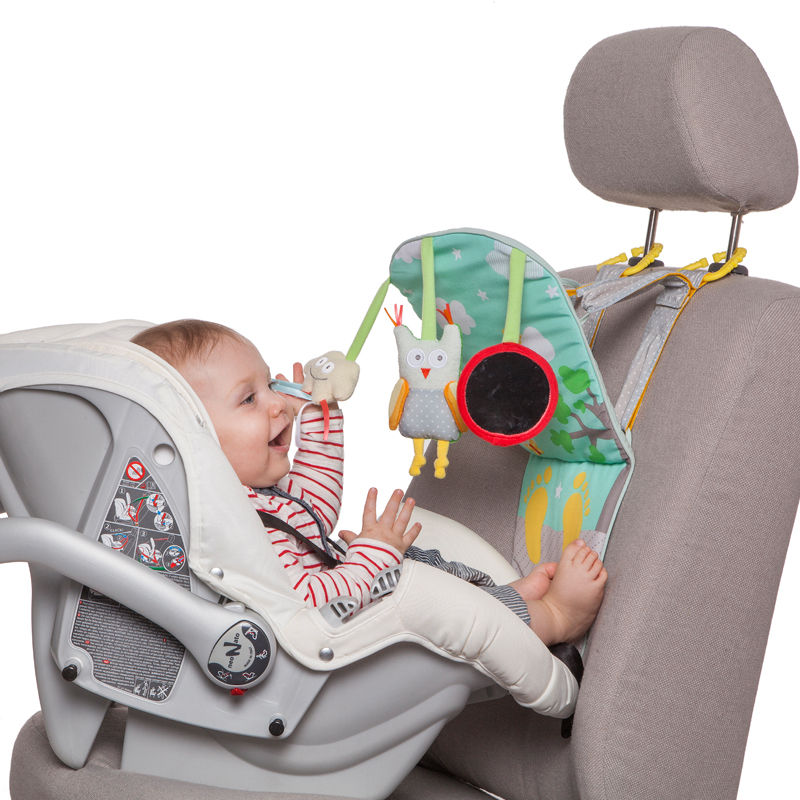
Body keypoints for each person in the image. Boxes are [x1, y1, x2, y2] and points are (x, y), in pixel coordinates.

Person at [131, 319, 607, 647]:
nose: (277, 403)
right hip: (341, 634)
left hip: (348, 583)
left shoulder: (250, 495)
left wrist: (317, 417)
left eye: (269, 385)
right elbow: (307, 604)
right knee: (435, 605)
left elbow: (312, 509)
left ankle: (508, 597)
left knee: (422, 563)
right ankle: (553, 618)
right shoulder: (235, 531)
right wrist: (372, 555)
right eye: (249, 399)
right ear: (191, 437)